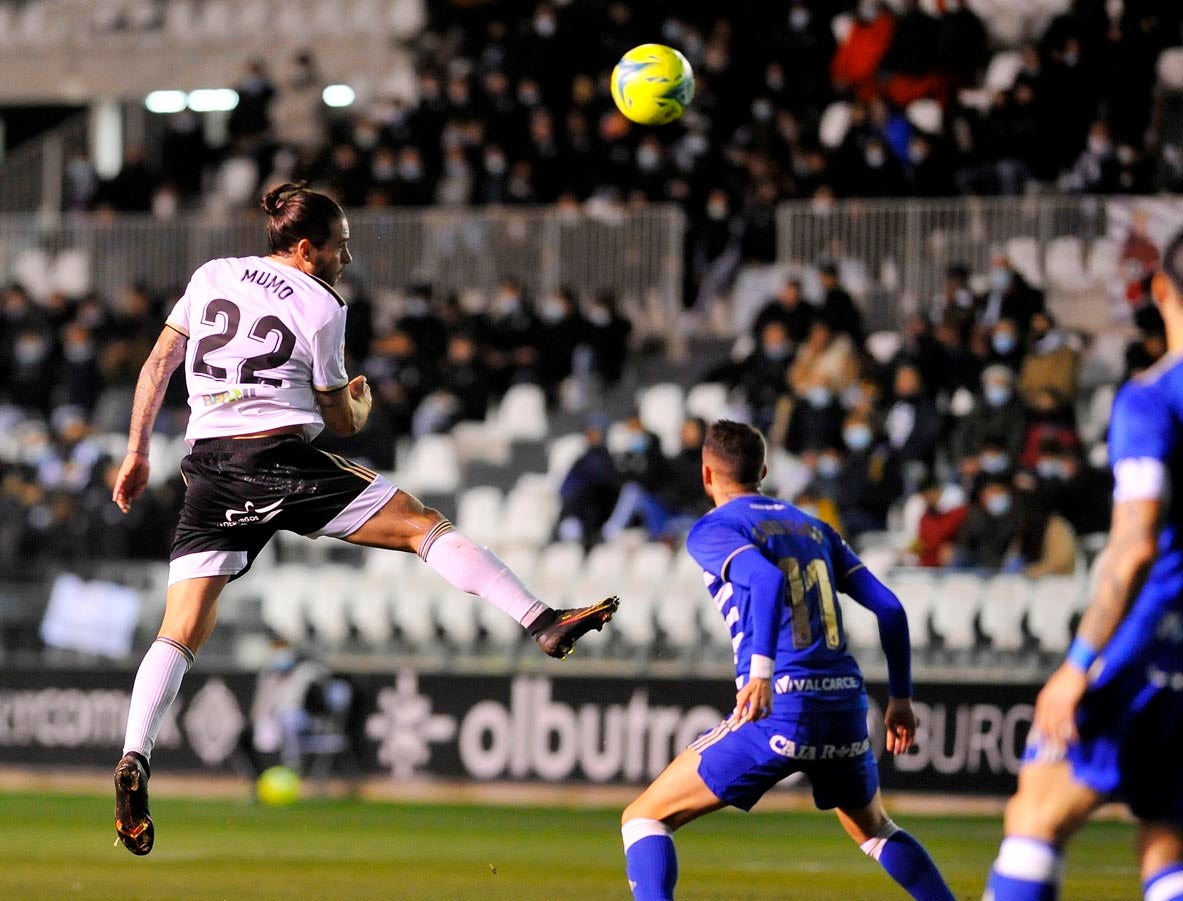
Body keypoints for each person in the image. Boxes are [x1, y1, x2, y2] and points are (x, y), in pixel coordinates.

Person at [109, 183, 619, 856]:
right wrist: (361, 403)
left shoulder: (212, 275)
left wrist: (137, 448)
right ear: (304, 247)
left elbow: (158, 364)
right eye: (338, 244)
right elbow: (338, 420)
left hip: (208, 467)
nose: (345, 256)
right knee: (418, 523)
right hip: (278, 456)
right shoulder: (321, 304)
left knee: (179, 627)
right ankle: (540, 620)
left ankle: (135, 753)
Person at [620, 420, 954, 901]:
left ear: (706, 475)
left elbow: (767, 581)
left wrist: (760, 673)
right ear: (764, 471)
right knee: (875, 829)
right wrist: (900, 698)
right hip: (845, 707)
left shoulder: (716, 528)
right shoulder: (812, 527)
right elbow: (890, 608)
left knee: (643, 816)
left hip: (780, 705)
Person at [986, 230, 1183, 901]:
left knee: (1036, 812)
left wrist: (1075, 664)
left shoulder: (1152, 399)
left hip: (1156, 642)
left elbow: (1132, 546)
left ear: (1159, 289)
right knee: (1166, 834)